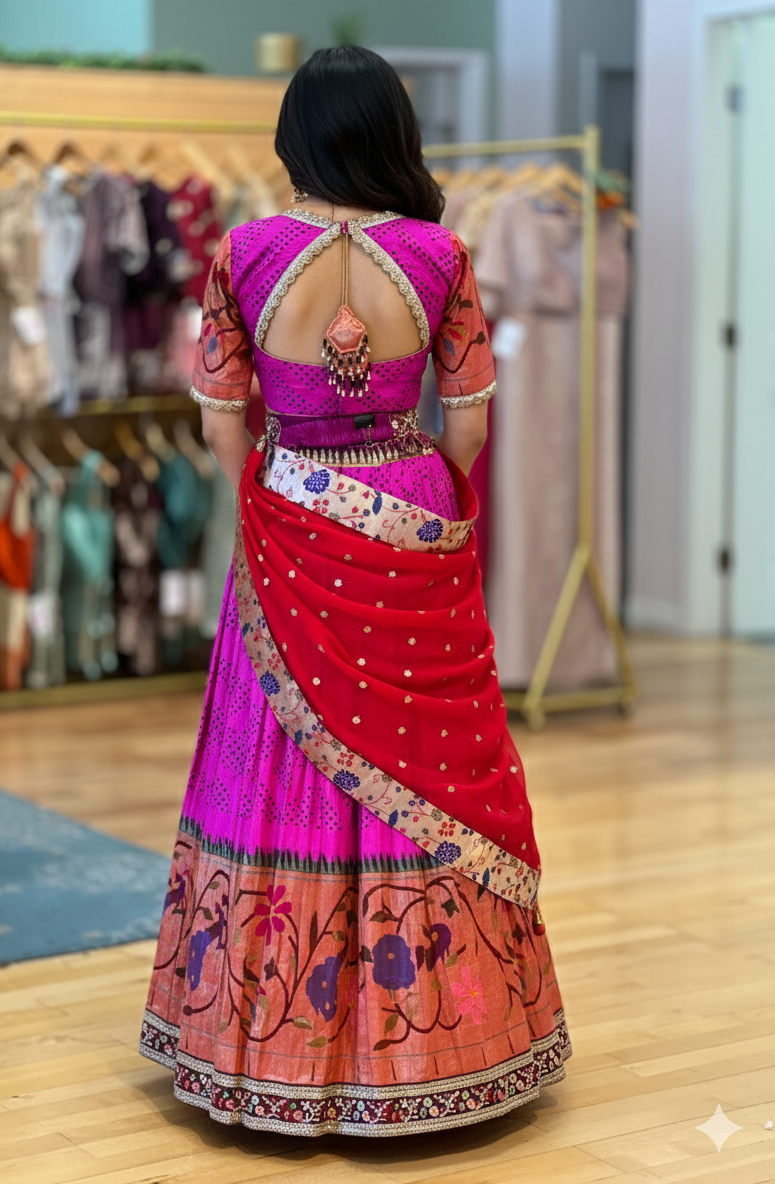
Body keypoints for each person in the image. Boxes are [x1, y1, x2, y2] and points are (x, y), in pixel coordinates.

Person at [140, 45, 570, 1137]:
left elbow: (218, 416)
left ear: (296, 137)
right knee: (430, 756)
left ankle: (261, 1040)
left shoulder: (243, 254)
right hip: (407, 504)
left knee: (271, 759)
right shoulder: (438, 254)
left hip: (286, 503)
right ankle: (443, 1045)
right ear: (390, 135)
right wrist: (425, 502)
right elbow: (470, 417)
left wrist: (268, 509)